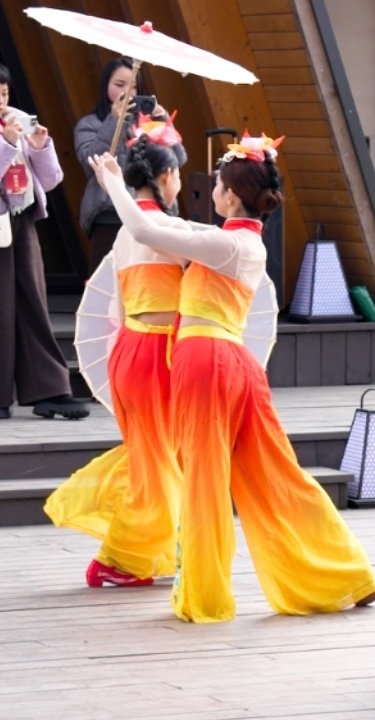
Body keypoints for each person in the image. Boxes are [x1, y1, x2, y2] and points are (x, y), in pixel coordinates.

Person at [89, 135, 375, 623]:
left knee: (203, 482)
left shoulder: (223, 243)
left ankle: (203, 594)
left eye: (219, 185)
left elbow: (142, 226)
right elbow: (161, 230)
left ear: (232, 196)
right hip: (238, 366)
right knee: (279, 473)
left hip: (204, 364)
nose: (213, 190)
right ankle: (345, 571)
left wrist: (113, 182)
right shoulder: (240, 242)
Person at [45, 119, 188, 586]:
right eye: (178, 174)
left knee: (151, 454)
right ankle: (121, 556)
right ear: (166, 176)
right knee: (160, 456)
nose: (180, 182)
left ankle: (146, 549)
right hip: (158, 352)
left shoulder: (127, 234)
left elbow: (119, 307)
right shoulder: (168, 229)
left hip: (128, 349)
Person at [0, 64, 89, 421]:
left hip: (21, 220)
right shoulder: (10, 132)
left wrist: (39, 148)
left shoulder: (18, 122)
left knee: (34, 303)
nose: (1, 100)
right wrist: (7, 145)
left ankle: (49, 389)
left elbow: (50, 181)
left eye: (4, 93)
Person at [75, 58, 186, 274]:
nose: (127, 92)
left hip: (153, 213)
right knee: (107, 279)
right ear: (106, 86)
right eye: (119, 85)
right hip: (109, 215)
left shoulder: (150, 122)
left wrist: (163, 122)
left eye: (133, 86)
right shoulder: (89, 125)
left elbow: (178, 159)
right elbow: (92, 161)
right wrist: (114, 121)